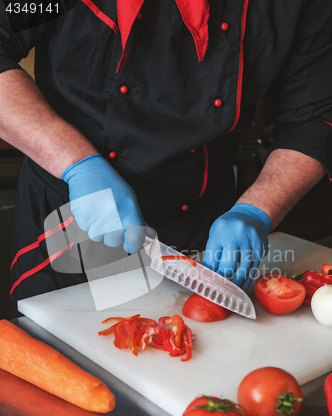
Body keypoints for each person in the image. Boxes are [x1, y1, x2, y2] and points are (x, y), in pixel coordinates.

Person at [0, 0, 331, 317]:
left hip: (204, 234)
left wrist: (257, 208)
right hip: (71, 219)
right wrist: (78, 165)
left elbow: (317, 113)